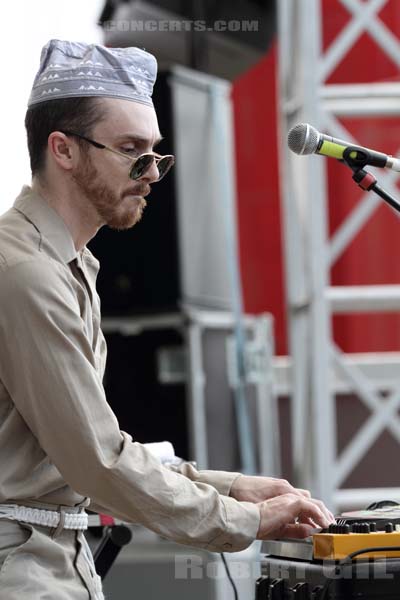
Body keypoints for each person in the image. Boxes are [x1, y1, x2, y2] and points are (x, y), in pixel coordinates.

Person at [0, 40, 334, 599]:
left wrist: (231, 489)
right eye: (132, 150)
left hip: (49, 558)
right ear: (63, 150)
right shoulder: (25, 273)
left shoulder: (68, 263)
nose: (151, 172)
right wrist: (242, 521)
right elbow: (99, 462)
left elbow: (85, 457)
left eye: (156, 153)